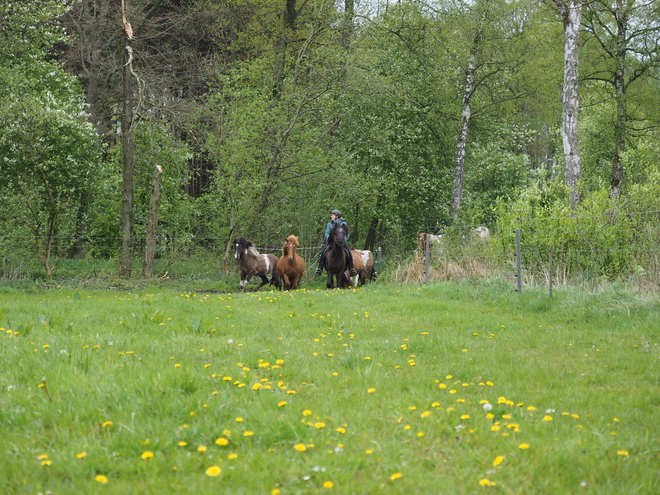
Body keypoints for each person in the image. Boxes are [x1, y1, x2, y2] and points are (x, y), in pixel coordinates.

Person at [315, 209, 358, 277]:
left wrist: (343, 240)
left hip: (341, 243)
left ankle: (351, 268)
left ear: (337, 216)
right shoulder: (329, 224)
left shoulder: (344, 224)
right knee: (323, 252)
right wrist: (330, 239)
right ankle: (319, 268)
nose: (331, 216)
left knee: (348, 252)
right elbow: (326, 233)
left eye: (332, 215)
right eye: (331, 215)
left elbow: (347, 234)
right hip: (332, 243)